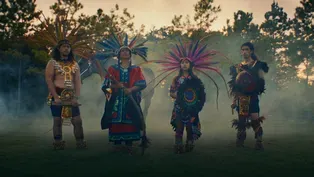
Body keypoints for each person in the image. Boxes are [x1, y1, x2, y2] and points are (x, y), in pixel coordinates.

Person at [141, 39, 227, 154]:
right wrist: (177, 96)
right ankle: (178, 145)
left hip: (192, 107)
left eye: (187, 62)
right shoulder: (176, 79)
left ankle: (190, 143)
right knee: (179, 127)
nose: (184, 64)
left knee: (190, 127)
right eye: (182, 62)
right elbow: (171, 92)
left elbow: (200, 94)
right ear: (180, 65)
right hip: (179, 107)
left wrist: (194, 102)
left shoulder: (195, 80)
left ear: (191, 65)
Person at [99, 33, 148, 155]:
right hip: (115, 101)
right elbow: (105, 86)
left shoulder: (136, 69)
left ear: (130, 55)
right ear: (119, 55)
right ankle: (117, 145)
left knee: (131, 119)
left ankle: (129, 145)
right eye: (123, 51)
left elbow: (142, 84)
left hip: (131, 100)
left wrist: (130, 90)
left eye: (127, 51)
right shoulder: (112, 69)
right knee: (115, 119)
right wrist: (116, 86)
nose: (125, 53)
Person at [45, 39, 87, 150]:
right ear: (59, 49)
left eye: (68, 47)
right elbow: (49, 80)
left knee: (77, 120)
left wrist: (76, 97)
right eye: (64, 46)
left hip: (71, 95)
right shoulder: (52, 62)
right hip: (57, 93)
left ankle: (80, 142)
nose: (66, 48)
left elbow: (78, 81)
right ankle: (58, 143)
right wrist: (55, 96)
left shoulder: (75, 64)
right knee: (57, 120)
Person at [228, 42, 269, 150]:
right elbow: (236, 86)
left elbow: (261, 82)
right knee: (242, 121)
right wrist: (234, 100)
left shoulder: (257, 65)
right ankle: (240, 141)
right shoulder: (238, 67)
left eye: (247, 49)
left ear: (251, 51)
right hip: (242, 98)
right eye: (243, 50)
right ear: (241, 52)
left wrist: (253, 87)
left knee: (255, 120)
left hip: (253, 97)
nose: (245, 52)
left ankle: (259, 141)